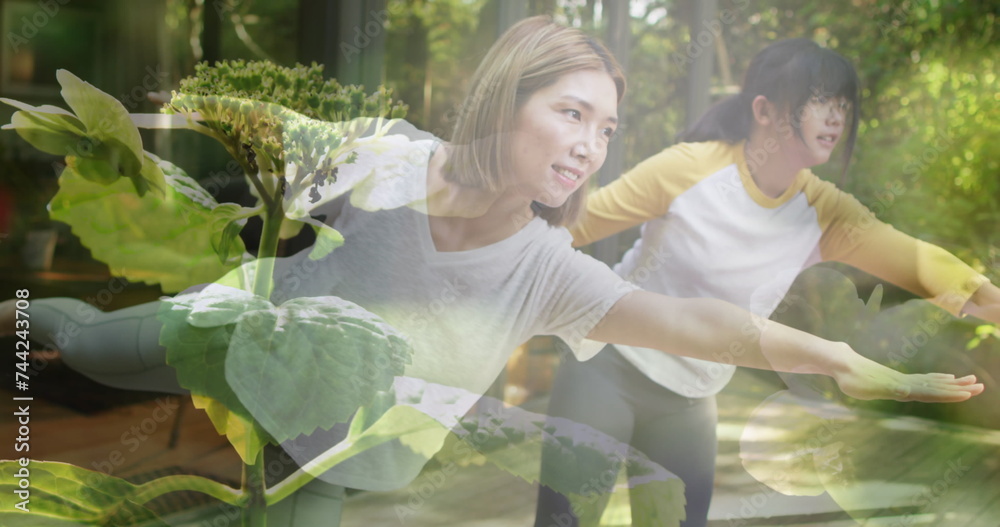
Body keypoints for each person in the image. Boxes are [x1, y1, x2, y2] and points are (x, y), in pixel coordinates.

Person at [1, 22, 985, 526]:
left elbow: (707, 327)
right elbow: (248, 198)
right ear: (507, 98)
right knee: (82, 341)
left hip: (331, 458)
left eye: (604, 128)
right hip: (234, 341)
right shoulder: (386, 156)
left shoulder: (551, 272)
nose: (589, 146)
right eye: (571, 113)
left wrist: (851, 359)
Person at [534, 38, 1000, 527]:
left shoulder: (825, 213)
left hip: (692, 397)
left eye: (843, 104)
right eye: (820, 99)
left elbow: (926, 266)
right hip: (606, 368)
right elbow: (567, 227)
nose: (836, 117)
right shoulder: (690, 168)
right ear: (763, 110)